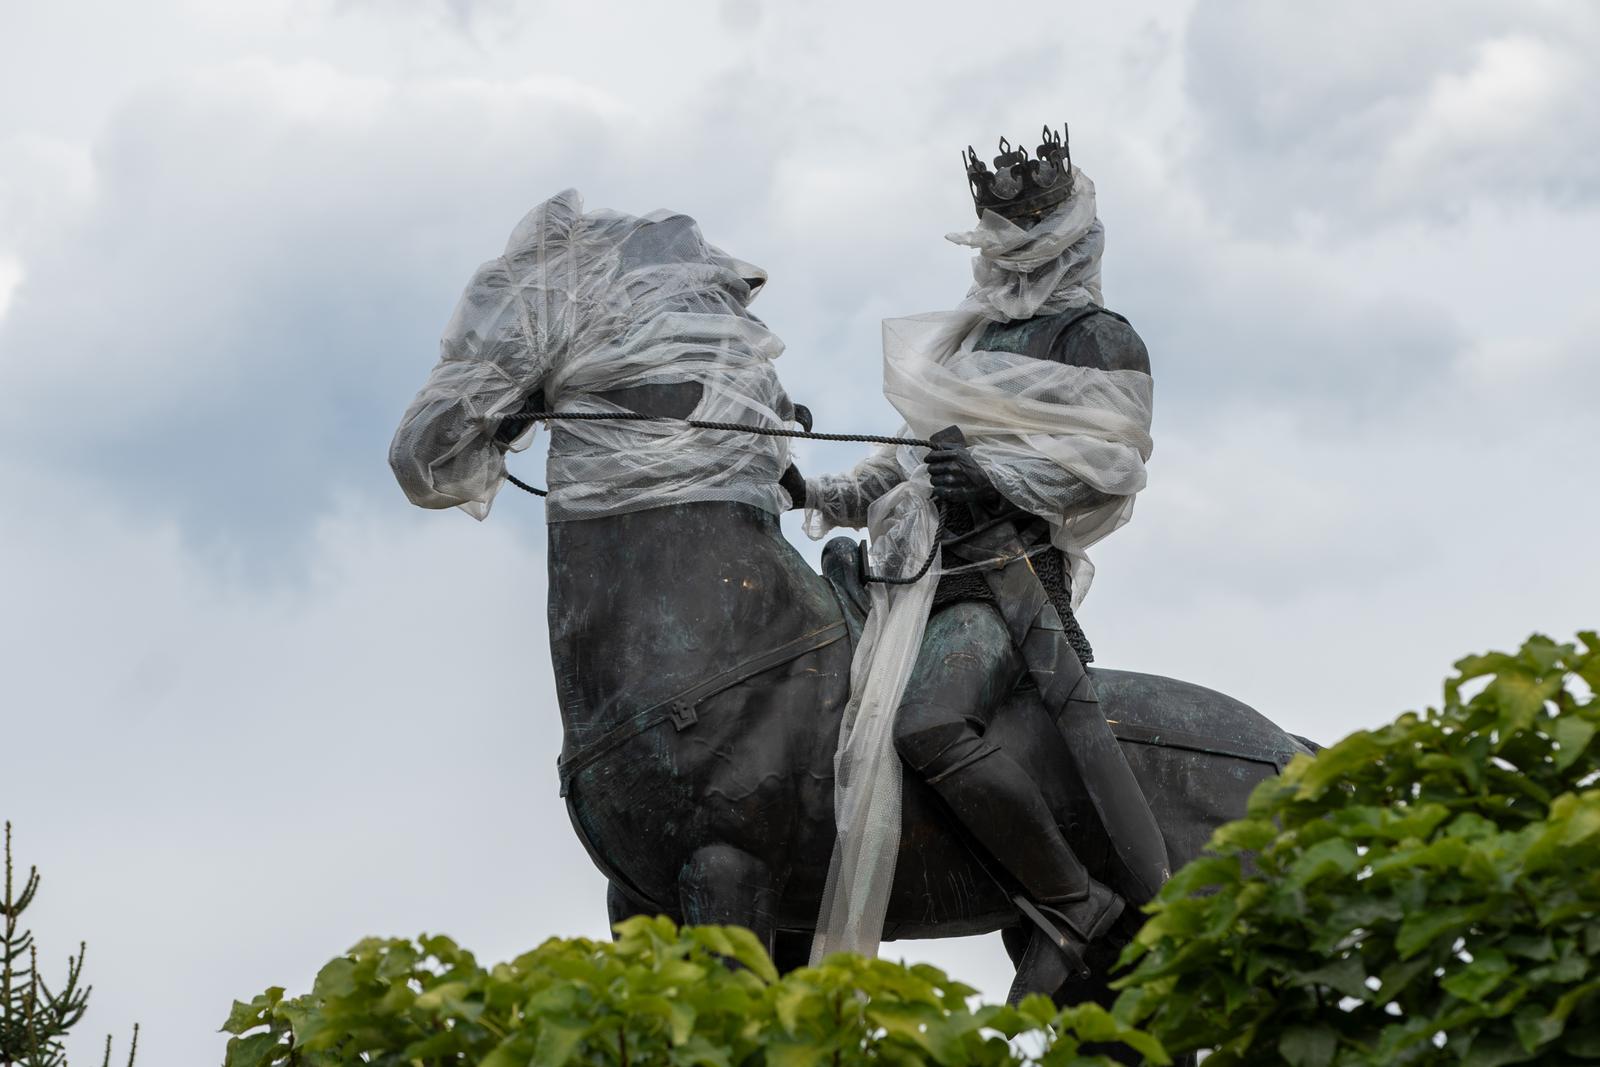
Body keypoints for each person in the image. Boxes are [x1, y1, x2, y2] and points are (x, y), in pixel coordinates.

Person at [798, 126, 1166, 989]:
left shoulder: (1099, 339)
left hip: (1002, 588)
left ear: (1071, 236)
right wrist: (803, 490)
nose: (1015, 255)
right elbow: (894, 462)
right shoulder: (966, 343)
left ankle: (1079, 905)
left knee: (927, 723)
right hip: (901, 578)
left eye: (1031, 237)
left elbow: (1111, 469)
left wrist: (992, 474)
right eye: (1004, 238)